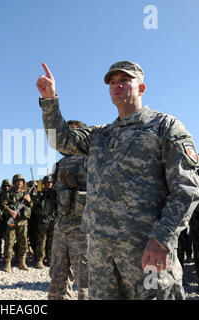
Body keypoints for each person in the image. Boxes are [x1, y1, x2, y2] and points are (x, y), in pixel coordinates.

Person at [37, 60, 199, 299]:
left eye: (124, 80)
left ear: (141, 88)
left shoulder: (165, 126)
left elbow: (186, 189)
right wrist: (50, 101)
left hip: (147, 251)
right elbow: (59, 141)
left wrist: (163, 238)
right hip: (102, 258)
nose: (117, 85)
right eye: (113, 82)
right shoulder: (100, 134)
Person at [48, 120, 89, 300]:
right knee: (57, 276)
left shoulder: (90, 162)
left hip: (83, 230)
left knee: (86, 280)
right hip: (60, 228)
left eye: (70, 134)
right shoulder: (58, 165)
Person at [2, 174, 32, 273]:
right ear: (14, 182)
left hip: (23, 222)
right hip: (12, 222)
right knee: (9, 242)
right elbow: (3, 205)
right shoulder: (8, 193)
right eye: (18, 181)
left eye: (21, 181)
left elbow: (32, 206)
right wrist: (10, 211)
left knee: (23, 242)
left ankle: (22, 262)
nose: (19, 183)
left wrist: (29, 200)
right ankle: (7, 263)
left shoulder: (25, 193)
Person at [34, 175, 57, 269]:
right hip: (43, 220)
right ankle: (40, 259)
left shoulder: (55, 195)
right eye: (47, 183)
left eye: (50, 183)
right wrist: (42, 214)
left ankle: (50, 258)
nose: (49, 185)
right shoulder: (40, 195)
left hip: (53, 219)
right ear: (44, 184)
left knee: (51, 240)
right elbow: (35, 208)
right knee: (41, 240)